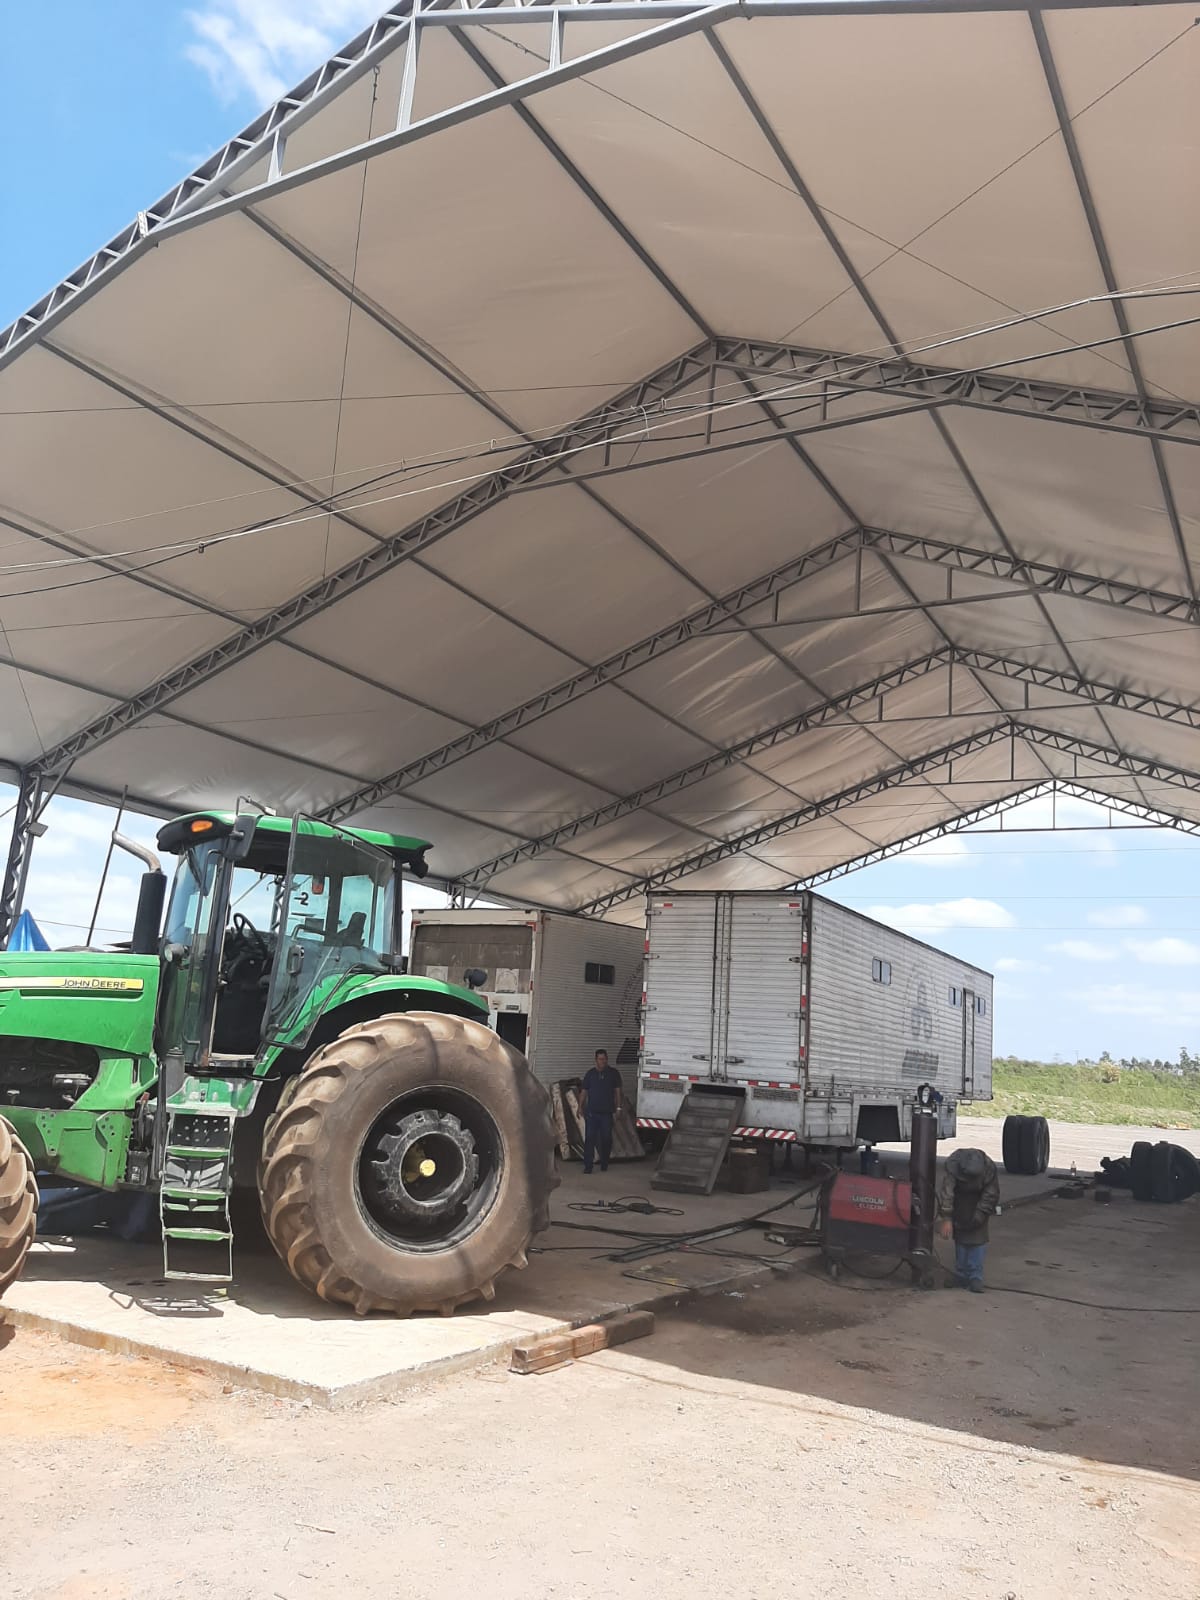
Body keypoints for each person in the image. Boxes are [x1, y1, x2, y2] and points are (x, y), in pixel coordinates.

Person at [937, 1146, 999, 1293]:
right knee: (961, 1238)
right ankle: (961, 1274)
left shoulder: (989, 1170)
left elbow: (990, 1196)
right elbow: (947, 1192)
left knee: (978, 1240)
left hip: (979, 1203)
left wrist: (978, 1216)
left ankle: (975, 1277)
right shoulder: (953, 1166)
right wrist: (946, 1217)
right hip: (960, 1203)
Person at [578, 1048, 623, 1174]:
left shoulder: (613, 1073)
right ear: (596, 1060)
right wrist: (580, 1107)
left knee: (606, 1138)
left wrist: (618, 1107)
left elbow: (617, 1091)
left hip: (607, 1113)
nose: (602, 1061)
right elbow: (584, 1091)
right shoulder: (590, 1074)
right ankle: (588, 1166)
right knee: (590, 1139)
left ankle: (604, 1162)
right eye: (600, 1059)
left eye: (604, 1059)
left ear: (607, 1059)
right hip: (592, 1113)